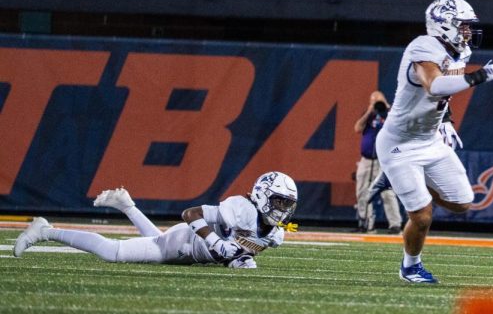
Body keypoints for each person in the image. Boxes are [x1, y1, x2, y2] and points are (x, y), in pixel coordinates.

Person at [380, 0, 493, 284]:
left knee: (463, 202)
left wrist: (447, 120)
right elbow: (435, 85)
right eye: (463, 26)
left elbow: (444, 94)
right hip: (399, 144)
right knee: (423, 216)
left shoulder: (459, 51)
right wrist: (481, 76)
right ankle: (410, 266)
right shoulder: (423, 46)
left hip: (430, 141)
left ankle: (406, 183)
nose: (467, 32)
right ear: (443, 25)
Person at [13, 174, 297, 270]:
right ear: (261, 195)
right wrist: (215, 242)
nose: (282, 210)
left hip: (192, 254)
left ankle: (128, 206)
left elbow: (238, 252)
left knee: (156, 244)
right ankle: (46, 230)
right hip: (186, 243)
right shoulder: (241, 208)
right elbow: (189, 214)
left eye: (286, 204)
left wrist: (240, 261)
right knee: (115, 253)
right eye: (279, 201)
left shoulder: (274, 235)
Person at [354, 91, 404, 234]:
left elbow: (398, 129)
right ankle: (366, 224)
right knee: (362, 192)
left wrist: (387, 109)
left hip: (385, 161)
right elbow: (357, 128)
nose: (376, 102)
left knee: (387, 193)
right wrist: (370, 111)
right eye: (372, 100)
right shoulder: (369, 115)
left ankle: (395, 225)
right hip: (366, 160)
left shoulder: (391, 113)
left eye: (378, 100)